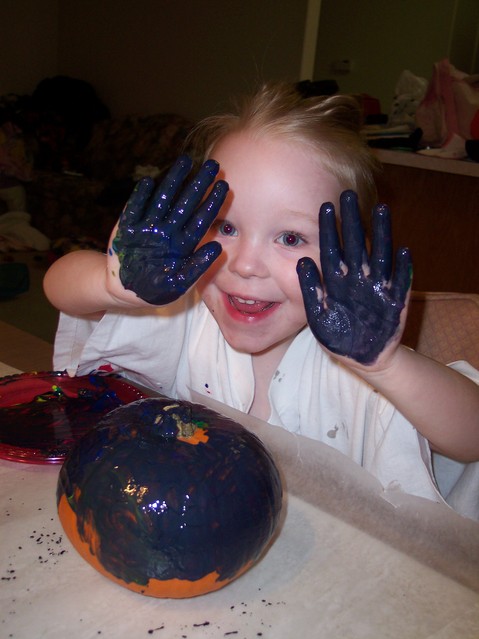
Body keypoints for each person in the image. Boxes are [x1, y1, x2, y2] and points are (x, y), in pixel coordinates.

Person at [44, 82, 479, 516]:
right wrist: (110, 285)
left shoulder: (357, 362)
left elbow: (471, 434)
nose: (246, 265)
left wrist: (387, 365)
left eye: (290, 238)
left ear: (348, 255)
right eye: (225, 227)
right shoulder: (185, 313)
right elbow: (57, 285)